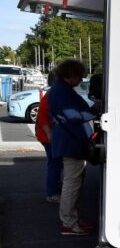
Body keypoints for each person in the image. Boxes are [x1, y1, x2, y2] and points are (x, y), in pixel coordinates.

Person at [48, 59, 99, 235]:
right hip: (71, 143)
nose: (81, 80)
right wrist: (94, 111)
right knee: (71, 184)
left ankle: (73, 219)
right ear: (71, 76)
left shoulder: (60, 89)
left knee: (72, 183)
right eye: (80, 76)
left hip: (70, 142)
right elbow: (73, 116)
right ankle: (69, 222)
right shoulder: (62, 91)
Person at [35, 70, 62, 204]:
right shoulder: (51, 95)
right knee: (55, 164)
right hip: (48, 136)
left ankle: (55, 190)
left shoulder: (52, 94)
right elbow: (42, 117)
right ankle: (52, 193)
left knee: (55, 164)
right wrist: (50, 134)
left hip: (48, 135)